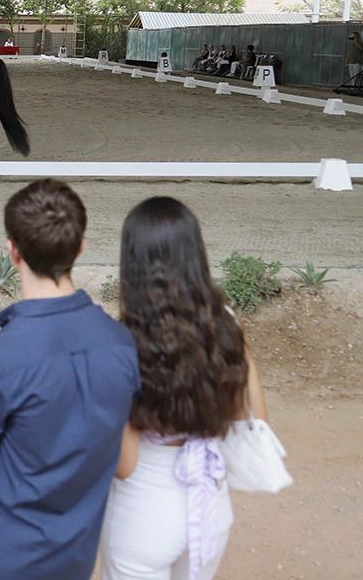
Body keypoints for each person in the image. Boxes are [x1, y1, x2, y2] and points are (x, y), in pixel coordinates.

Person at [0, 179, 140, 580]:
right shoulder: (122, 344)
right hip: (76, 557)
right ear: (80, 247)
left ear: (12, 251)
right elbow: (122, 458)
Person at [99, 197, 269, 580]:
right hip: (210, 507)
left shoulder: (124, 341)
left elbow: (125, 466)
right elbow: (253, 419)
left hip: (143, 514)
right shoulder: (224, 328)